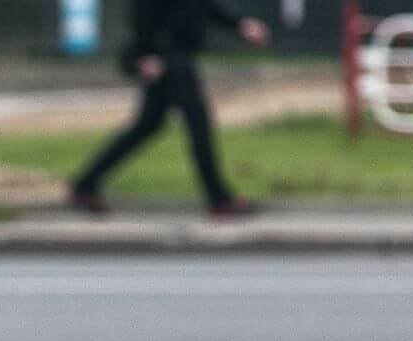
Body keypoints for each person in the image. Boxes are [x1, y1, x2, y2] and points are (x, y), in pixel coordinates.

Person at [68, 0, 271, 216]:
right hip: (168, 58)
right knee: (197, 124)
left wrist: (240, 24)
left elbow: (202, 6)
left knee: (148, 125)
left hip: (173, 56)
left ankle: (85, 184)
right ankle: (219, 199)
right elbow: (143, 12)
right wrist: (146, 55)